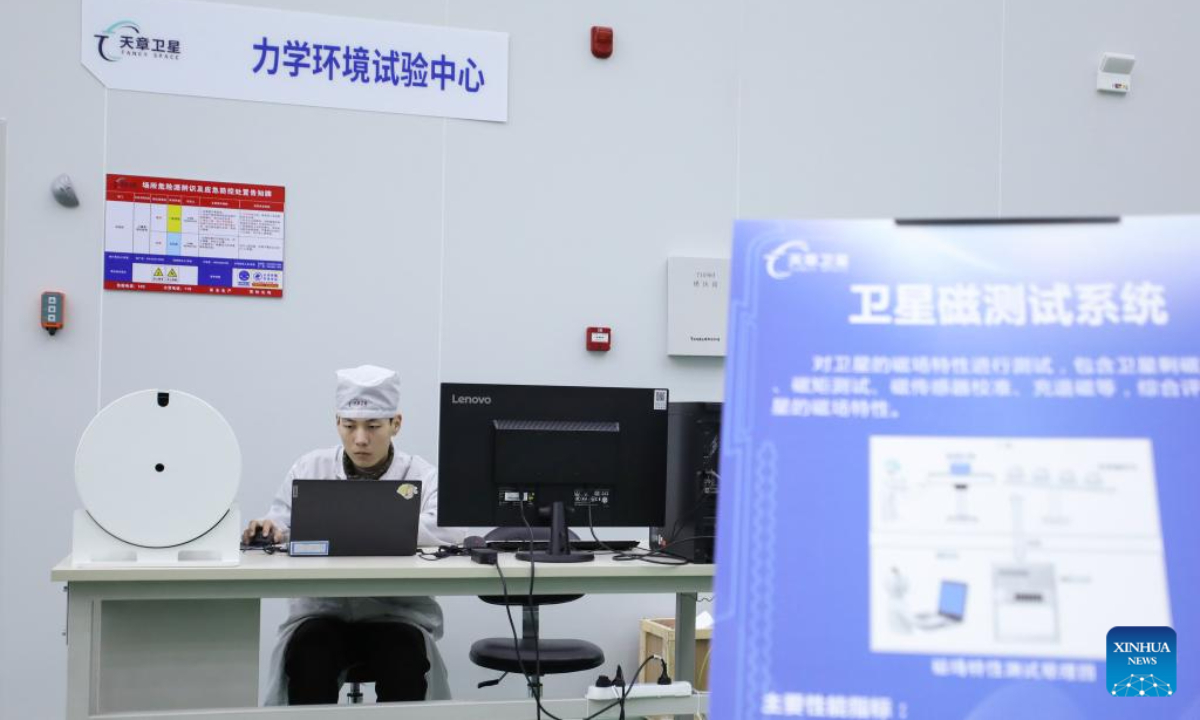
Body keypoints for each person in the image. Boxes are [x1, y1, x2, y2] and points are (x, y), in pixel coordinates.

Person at [246, 365, 465, 705]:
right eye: (349, 426)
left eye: (373, 426)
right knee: (308, 659)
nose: (360, 439)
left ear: (396, 424)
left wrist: (357, 524)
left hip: (396, 612)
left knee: (405, 663)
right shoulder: (309, 468)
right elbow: (282, 525)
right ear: (337, 423)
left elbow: (450, 530)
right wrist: (270, 530)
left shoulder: (421, 474)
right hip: (322, 611)